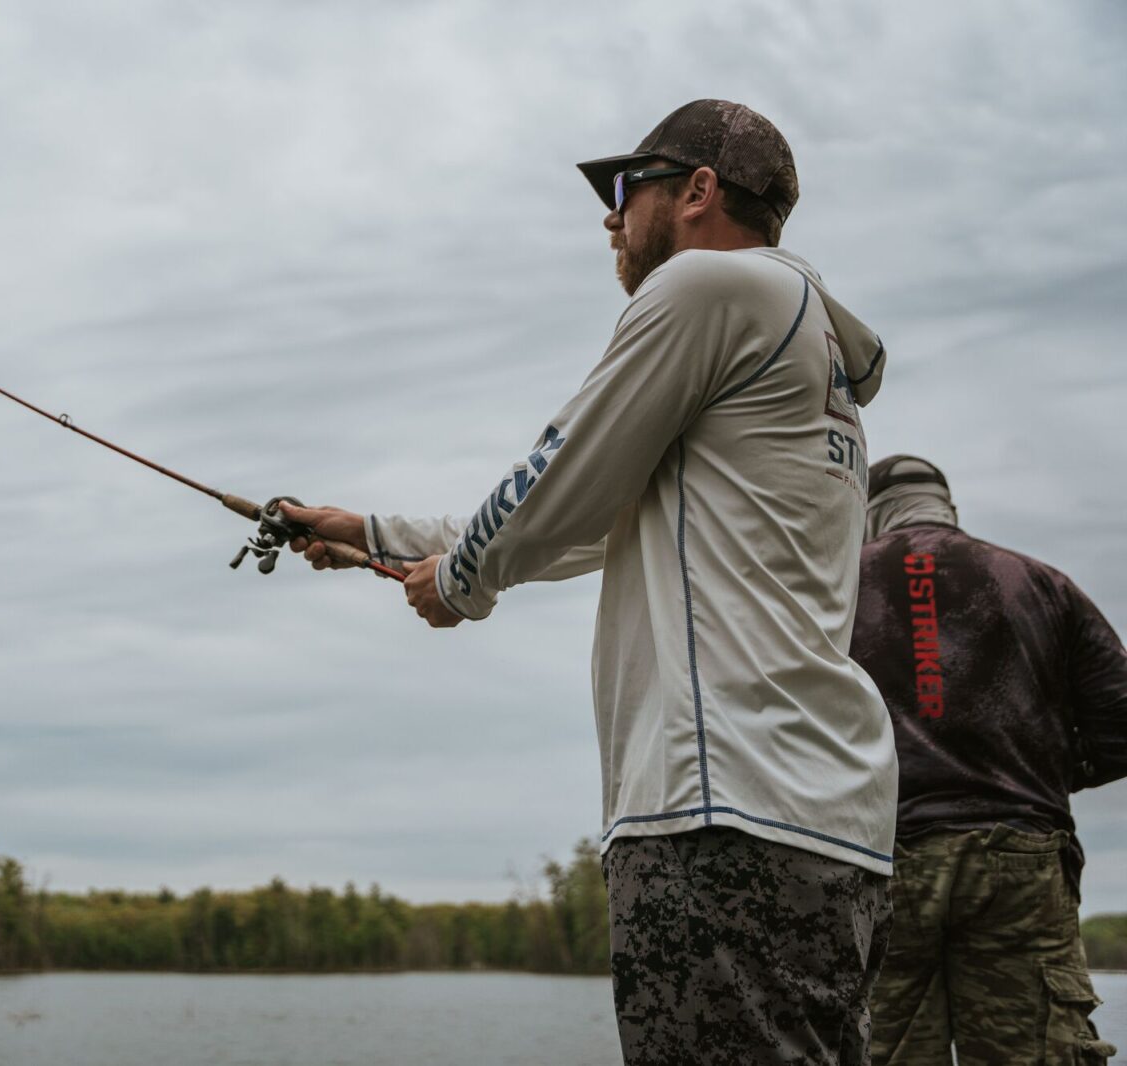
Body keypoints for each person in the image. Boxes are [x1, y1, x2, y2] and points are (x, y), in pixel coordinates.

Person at [285, 99, 896, 1064]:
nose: (610, 218)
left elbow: (556, 482)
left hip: (716, 810)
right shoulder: (804, 344)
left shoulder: (707, 289)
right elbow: (596, 512)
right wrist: (373, 532)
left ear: (698, 193)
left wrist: (461, 584)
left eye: (626, 189)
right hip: (827, 829)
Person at [853, 455, 1125, 1066]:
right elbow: (1122, 723)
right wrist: (1040, 769)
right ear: (948, 509)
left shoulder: (833, 586)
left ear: (869, 514)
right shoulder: (1039, 582)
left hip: (879, 863)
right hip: (1020, 862)